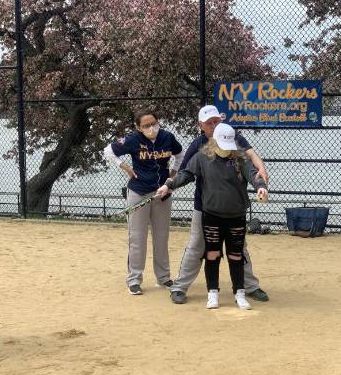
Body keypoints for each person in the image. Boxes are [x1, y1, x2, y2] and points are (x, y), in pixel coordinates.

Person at [156, 123, 269, 309]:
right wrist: (169, 185)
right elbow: (186, 174)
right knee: (212, 254)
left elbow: (254, 174)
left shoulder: (241, 158)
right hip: (211, 215)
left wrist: (261, 187)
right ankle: (212, 293)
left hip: (236, 215)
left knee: (236, 255)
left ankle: (240, 293)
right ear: (214, 142)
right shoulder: (201, 157)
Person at [104, 110, 184, 295]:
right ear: (138, 127)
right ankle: (134, 279)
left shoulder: (167, 137)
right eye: (146, 125)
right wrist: (125, 167)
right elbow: (108, 151)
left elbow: (180, 156)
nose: (151, 128)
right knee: (137, 238)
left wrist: (173, 176)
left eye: (154, 123)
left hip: (162, 193)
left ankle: (163, 278)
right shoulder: (132, 140)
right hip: (138, 191)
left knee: (161, 236)